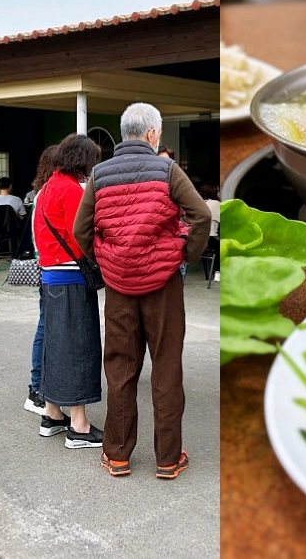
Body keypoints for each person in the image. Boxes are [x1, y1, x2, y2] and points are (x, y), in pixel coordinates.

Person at [74, 102, 210, 479]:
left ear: (124, 132)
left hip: (119, 287)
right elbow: (200, 215)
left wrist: (106, 258)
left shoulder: (99, 174)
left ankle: (117, 455)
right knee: (166, 367)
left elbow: (80, 230)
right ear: (152, 134)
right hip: (163, 285)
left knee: (120, 367)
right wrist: (184, 255)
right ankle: (168, 459)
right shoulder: (168, 170)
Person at [33, 134, 105, 448]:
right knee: (78, 346)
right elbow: (81, 235)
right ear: (83, 161)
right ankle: (79, 425)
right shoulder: (72, 190)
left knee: (55, 345)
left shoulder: (47, 187)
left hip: (50, 274)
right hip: (72, 276)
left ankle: (53, 414)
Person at [24, 145, 57, 419]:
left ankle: (38, 386)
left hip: (44, 267)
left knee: (45, 326)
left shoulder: (40, 194)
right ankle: (36, 388)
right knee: (45, 328)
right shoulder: (46, 196)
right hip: (48, 268)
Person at [200, 184, 221, 256]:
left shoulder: (200, 202)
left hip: (199, 237)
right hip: (210, 237)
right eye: (218, 191)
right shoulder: (215, 204)